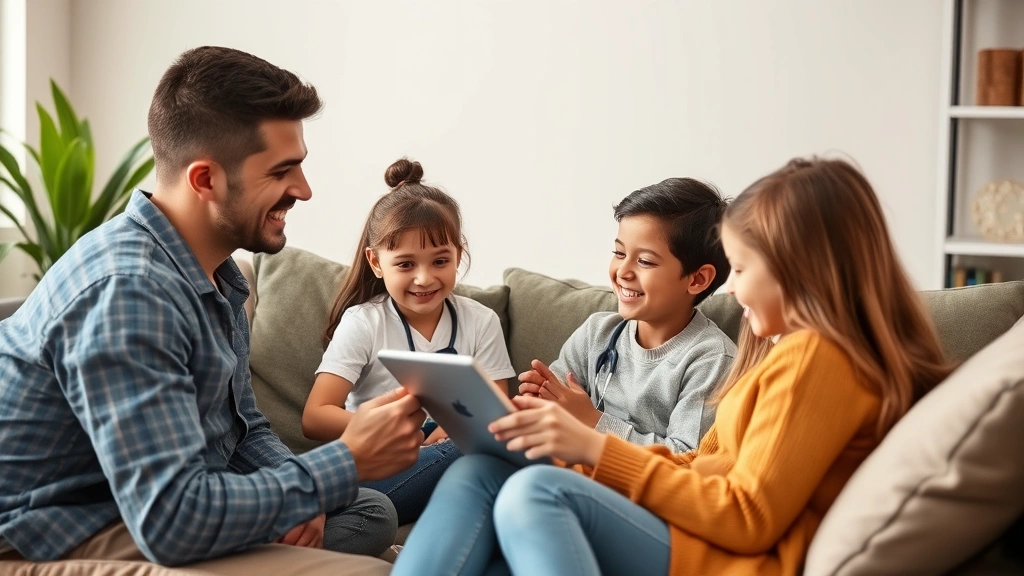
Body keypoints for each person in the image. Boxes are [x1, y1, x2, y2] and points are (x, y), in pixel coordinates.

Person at [392, 156, 951, 576]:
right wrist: (577, 450)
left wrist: (595, 447)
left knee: (535, 493)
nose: (733, 286)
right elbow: (711, 471)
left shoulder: (818, 360)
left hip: (729, 557)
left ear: (800, 270)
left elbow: (748, 514)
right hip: (694, 531)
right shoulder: (795, 355)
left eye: (744, 267)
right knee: (481, 474)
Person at [0, 46, 426, 575]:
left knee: (366, 510)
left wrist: (312, 495)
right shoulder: (130, 293)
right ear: (205, 180)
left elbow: (243, 427)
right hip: (52, 531)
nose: (304, 190)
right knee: (370, 569)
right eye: (283, 171)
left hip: (139, 504)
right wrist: (342, 463)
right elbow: (172, 518)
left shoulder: (217, 278)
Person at [302, 158, 515, 524]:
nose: (424, 278)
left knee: (484, 451)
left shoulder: (481, 322)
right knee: (472, 457)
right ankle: (318, 504)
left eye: (439, 261)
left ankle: (343, 516)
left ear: (458, 256)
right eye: (405, 264)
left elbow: (496, 412)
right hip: (376, 458)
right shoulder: (364, 322)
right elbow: (315, 417)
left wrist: (459, 428)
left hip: (448, 455)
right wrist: (387, 427)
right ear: (376, 262)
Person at [519, 178, 736, 453]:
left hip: (627, 489)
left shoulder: (712, 360)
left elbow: (685, 457)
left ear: (698, 279)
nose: (623, 271)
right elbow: (556, 400)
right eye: (619, 252)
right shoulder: (597, 333)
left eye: (644, 261)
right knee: (473, 463)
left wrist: (593, 420)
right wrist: (539, 399)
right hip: (562, 464)